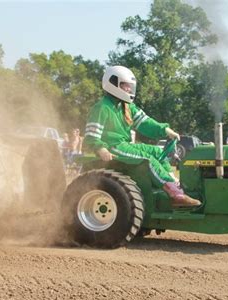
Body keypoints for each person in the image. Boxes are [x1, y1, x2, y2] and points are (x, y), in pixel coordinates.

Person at [84, 65, 200, 207]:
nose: (129, 89)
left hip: (125, 145)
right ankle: (175, 194)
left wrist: (165, 130)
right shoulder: (101, 107)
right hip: (113, 147)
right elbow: (91, 136)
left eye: (129, 86)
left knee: (158, 152)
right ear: (113, 83)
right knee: (148, 159)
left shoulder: (127, 107)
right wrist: (101, 149)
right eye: (125, 86)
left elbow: (145, 122)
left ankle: (175, 185)